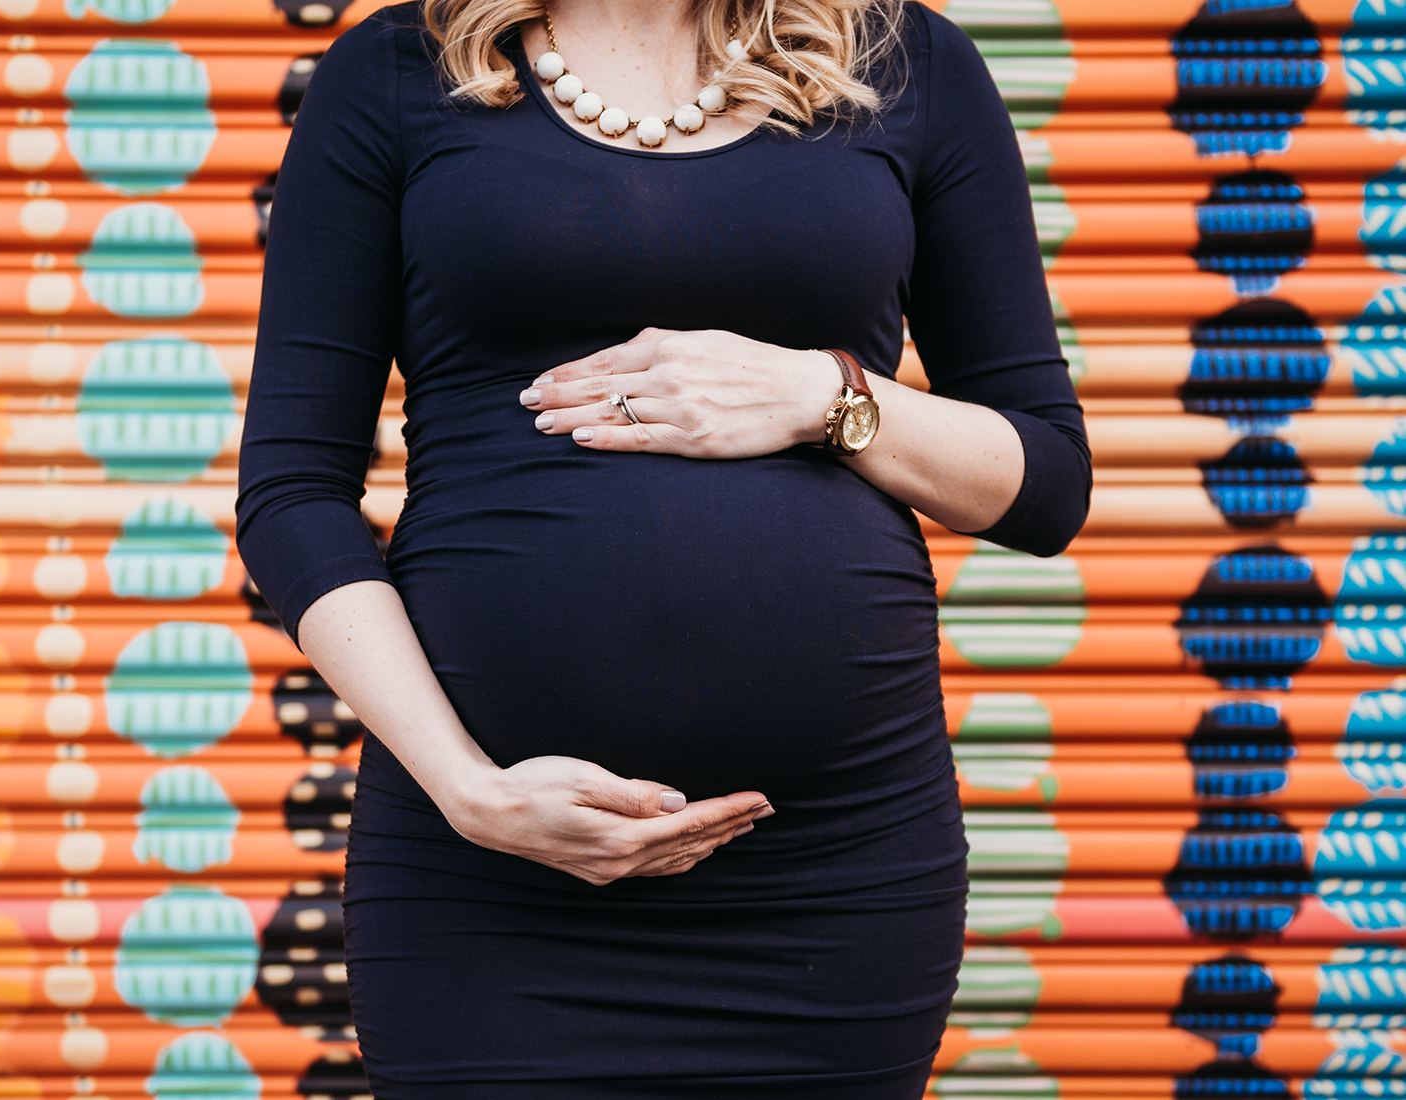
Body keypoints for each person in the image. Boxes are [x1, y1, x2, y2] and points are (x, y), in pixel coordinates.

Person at [235, 0, 1089, 1090]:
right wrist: (468, 791)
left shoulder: (905, 61)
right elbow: (292, 490)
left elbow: (1046, 483)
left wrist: (826, 395)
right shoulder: (397, 71)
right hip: (490, 876)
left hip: (828, 879)